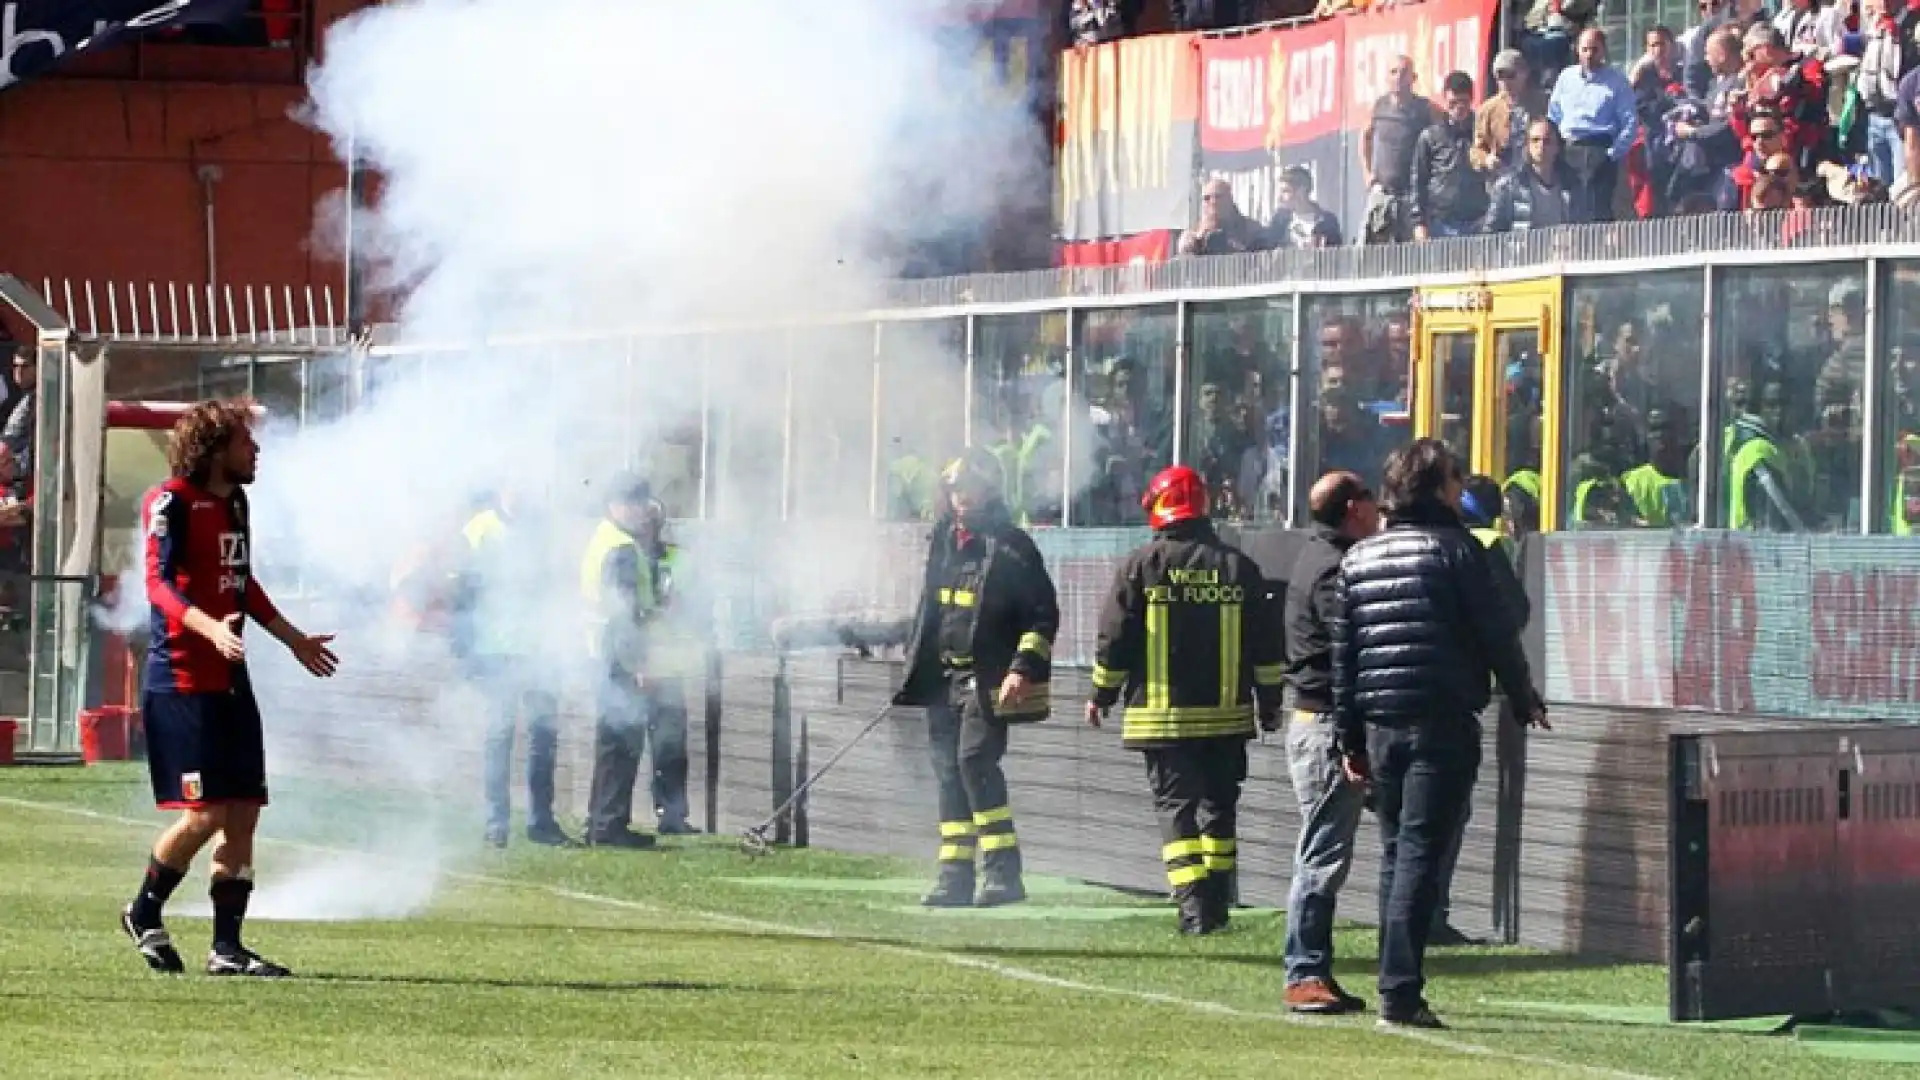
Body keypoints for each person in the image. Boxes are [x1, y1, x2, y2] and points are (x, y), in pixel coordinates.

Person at [1332, 438, 1547, 1029]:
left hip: (1379, 726)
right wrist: (1524, 698)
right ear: (1436, 488)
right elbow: (1497, 634)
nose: (1461, 491)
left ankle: (1392, 981)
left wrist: (1348, 740)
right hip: (1441, 721)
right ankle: (1399, 992)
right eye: (1454, 481)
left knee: (1398, 852)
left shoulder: (1361, 558)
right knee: (1422, 854)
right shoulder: (1459, 552)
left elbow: (1344, 660)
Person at [122, 398, 339, 978]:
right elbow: (159, 587)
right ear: (216, 448)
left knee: (243, 812)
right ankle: (144, 909)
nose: (257, 450)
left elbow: (242, 583)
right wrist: (209, 628)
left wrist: (293, 639)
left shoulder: (236, 502)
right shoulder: (169, 502)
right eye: (246, 442)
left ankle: (227, 949)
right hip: (183, 679)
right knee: (205, 813)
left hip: (230, 679)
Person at [1087, 465, 1284, 934]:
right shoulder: (1239, 567)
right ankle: (1217, 903)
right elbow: (1266, 645)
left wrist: (1102, 694)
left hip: (1165, 720)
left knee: (1176, 809)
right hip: (1227, 718)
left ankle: (1194, 910)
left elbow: (1115, 638)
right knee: (1220, 808)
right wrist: (1270, 702)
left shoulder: (1141, 566)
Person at [893, 448, 1059, 908]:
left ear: (990, 489)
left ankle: (1005, 875)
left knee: (974, 763)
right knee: (947, 773)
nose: (958, 496)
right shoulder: (943, 540)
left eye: (967, 487)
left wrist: (1022, 670)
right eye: (952, 488)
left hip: (988, 681)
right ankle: (955, 877)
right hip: (943, 678)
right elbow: (934, 611)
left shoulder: (1011, 546)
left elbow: (1042, 617)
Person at [1279, 470, 1379, 1013]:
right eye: (1369, 498)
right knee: (1321, 855)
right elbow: (1346, 654)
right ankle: (1304, 972)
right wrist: (1350, 738)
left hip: (1322, 725)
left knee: (1324, 852)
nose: (1379, 506)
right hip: (1327, 728)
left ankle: (1315, 968)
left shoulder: (1319, 556)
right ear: (1352, 509)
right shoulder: (1333, 569)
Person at [461, 483, 572, 848]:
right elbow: (463, 590)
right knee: (499, 735)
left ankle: (542, 821)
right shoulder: (479, 529)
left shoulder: (543, 531)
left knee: (544, 736)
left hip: (540, 649)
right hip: (496, 650)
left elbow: (557, 585)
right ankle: (497, 822)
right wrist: (468, 649)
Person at [581, 474, 665, 848]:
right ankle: (609, 824)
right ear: (617, 505)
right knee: (622, 743)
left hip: (602, 653)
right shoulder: (623, 548)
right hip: (620, 657)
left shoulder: (603, 538)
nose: (640, 510)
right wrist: (641, 664)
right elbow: (626, 614)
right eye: (634, 503)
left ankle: (602, 821)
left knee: (611, 743)